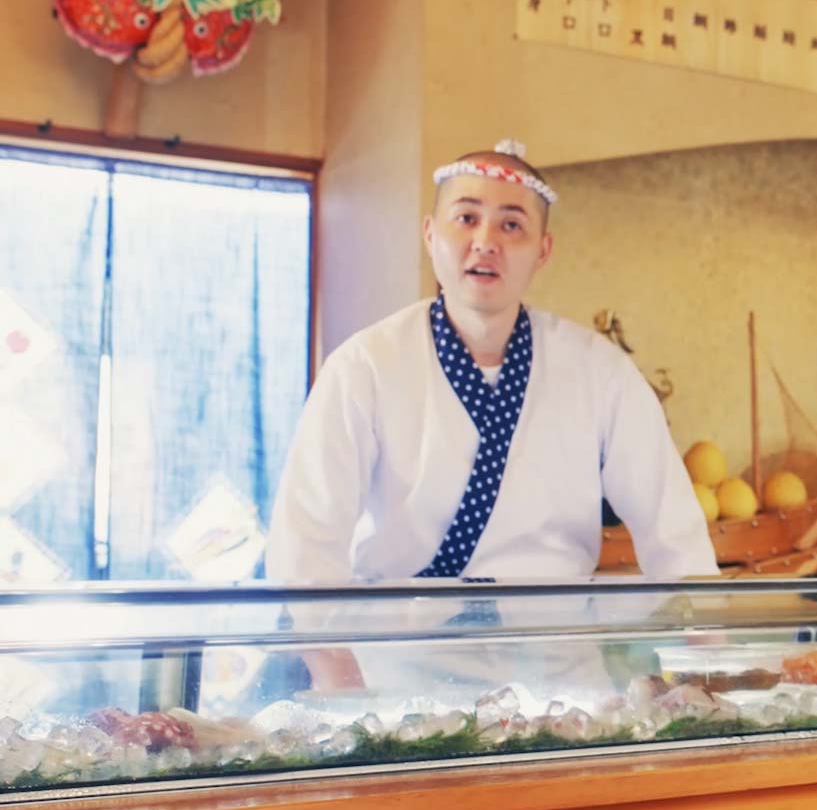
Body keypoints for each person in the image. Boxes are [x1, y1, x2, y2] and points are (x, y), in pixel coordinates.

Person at [265, 139, 716, 584]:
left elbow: (678, 540)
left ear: (543, 250)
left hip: (555, 629)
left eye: (512, 225)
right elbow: (304, 551)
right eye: (466, 218)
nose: (485, 242)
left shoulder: (601, 373)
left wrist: (705, 630)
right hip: (398, 630)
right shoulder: (364, 367)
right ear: (430, 234)